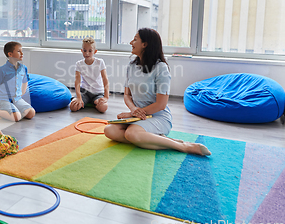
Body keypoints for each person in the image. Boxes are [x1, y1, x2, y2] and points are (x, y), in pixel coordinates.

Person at [103, 28, 211, 156]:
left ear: (145, 44)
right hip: (138, 116)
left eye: (135, 39)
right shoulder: (131, 66)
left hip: (158, 117)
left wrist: (135, 114)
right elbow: (127, 95)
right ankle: (159, 140)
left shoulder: (161, 68)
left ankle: (182, 146)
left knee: (131, 133)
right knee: (109, 130)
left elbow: (161, 104)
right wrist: (133, 110)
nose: (131, 42)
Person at [0, 41, 36, 122]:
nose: (22, 53)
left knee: (31, 113)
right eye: (19, 51)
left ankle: (15, 112)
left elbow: (25, 82)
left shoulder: (23, 68)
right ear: (10, 54)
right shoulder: (1, 70)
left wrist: (21, 94)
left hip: (17, 99)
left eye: (21, 51)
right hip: (3, 100)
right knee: (16, 117)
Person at [70, 37, 109, 113]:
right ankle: (86, 101)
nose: (87, 53)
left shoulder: (100, 62)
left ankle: (94, 102)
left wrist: (106, 97)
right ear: (81, 51)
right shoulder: (79, 64)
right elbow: (77, 81)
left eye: (90, 51)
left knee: (103, 108)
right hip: (84, 92)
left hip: (98, 93)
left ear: (95, 51)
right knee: (73, 107)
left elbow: (105, 80)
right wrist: (78, 97)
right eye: (85, 50)